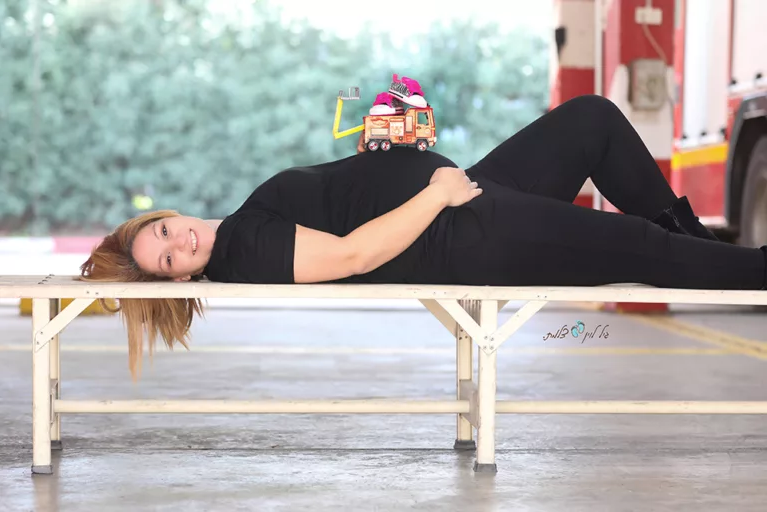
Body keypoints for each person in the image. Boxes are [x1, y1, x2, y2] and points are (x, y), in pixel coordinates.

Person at [80, 94, 767, 378]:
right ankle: (747, 268)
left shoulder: (237, 224)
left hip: (469, 196)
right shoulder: (244, 251)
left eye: (164, 231)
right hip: (465, 233)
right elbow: (354, 254)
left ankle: (711, 255)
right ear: (176, 279)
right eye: (166, 259)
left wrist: (390, 165)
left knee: (591, 122)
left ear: (168, 214)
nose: (179, 243)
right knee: (641, 248)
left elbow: (345, 209)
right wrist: (434, 193)